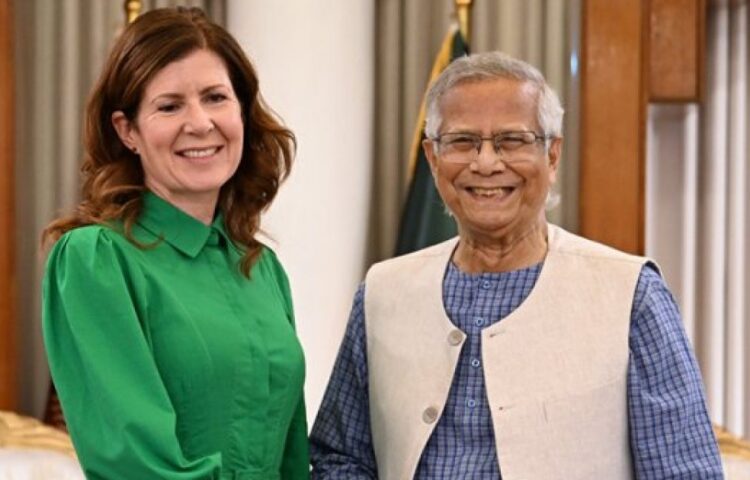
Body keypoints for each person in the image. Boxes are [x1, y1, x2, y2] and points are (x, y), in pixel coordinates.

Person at [310, 52, 723, 479]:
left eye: (512, 140)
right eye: (462, 141)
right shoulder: (382, 293)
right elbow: (340, 456)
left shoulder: (631, 295)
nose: (486, 163)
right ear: (432, 158)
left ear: (553, 155)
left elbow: (685, 473)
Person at [41, 7, 308, 479]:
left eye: (215, 97)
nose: (200, 123)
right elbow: (136, 464)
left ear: (242, 112)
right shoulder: (95, 259)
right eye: (169, 106)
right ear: (127, 131)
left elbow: (291, 459)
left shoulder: (261, 267)